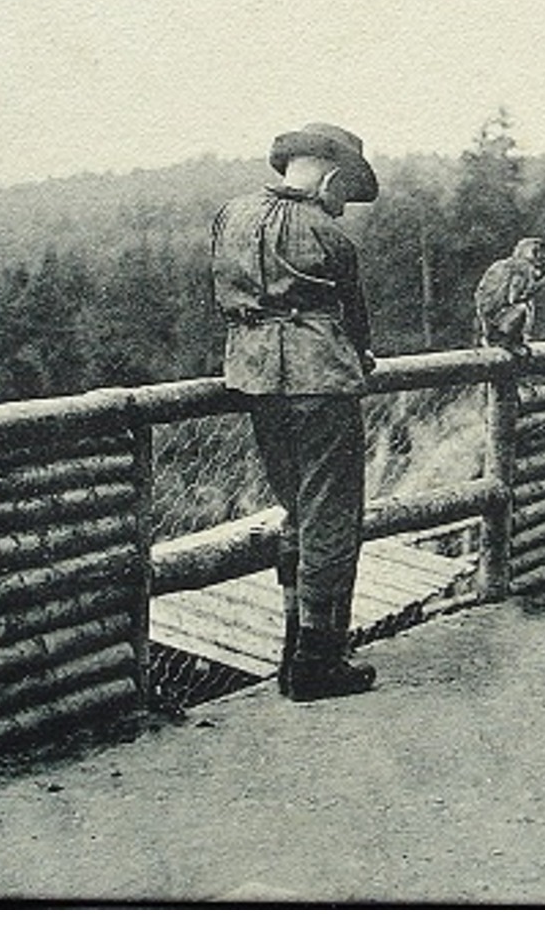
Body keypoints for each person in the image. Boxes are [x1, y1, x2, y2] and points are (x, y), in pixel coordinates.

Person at [210, 122, 380, 701]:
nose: (341, 207)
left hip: (255, 382)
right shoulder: (330, 240)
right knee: (330, 515)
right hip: (320, 383)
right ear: (330, 176)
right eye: (344, 194)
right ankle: (316, 662)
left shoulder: (229, 216)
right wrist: (357, 351)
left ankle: (291, 649)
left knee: (295, 510)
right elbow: (355, 325)